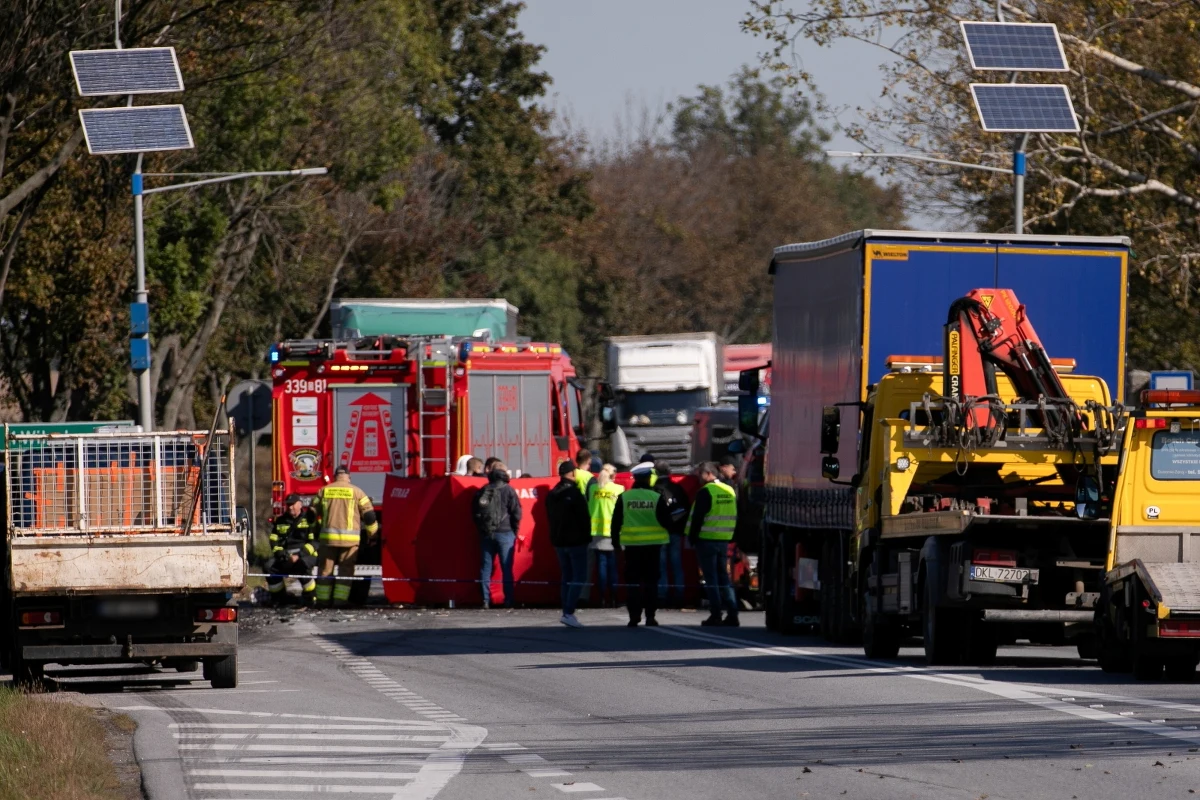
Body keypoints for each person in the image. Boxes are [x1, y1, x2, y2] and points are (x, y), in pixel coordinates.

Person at [611, 464, 672, 627]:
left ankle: (634, 617)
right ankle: (650, 616)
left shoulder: (625, 497)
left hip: (632, 546)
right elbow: (666, 521)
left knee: (633, 582)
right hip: (654, 546)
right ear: (648, 478)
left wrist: (615, 543)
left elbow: (615, 522)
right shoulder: (656, 497)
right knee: (651, 582)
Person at [312, 467, 378, 608]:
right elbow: (369, 516)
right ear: (348, 477)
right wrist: (372, 534)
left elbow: (311, 513)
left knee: (325, 571)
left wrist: (313, 531)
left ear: (335, 476)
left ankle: (323, 602)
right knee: (345, 571)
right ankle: (339, 602)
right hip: (350, 541)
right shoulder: (357, 492)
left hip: (328, 539)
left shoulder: (324, 491)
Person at [688, 461, 739, 626]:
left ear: (709, 474)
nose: (698, 478)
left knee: (711, 579)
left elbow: (698, 518)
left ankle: (716, 614)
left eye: (700, 474)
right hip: (724, 540)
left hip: (706, 540)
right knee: (725, 578)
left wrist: (692, 537)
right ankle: (732, 614)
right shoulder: (729, 489)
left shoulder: (706, 492)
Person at [546, 461, 591, 628]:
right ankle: (569, 611)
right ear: (572, 473)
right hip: (576, 541)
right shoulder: (574, 492)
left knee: (566, 576)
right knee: (579, 576)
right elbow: (583, 518)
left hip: (559, 541)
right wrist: (587, 537)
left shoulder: (552, 494)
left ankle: (566, 610)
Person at [472, 460, 522, 608]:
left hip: (487, 533)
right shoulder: (508, 490)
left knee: (485, 567)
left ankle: (485, 600)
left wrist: (482, 530)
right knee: (506, 567)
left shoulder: (483, 490)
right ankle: (508, 600)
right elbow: (517, 513)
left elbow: (474, 512)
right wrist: (515, 529)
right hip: (505, 533)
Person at [264, 494, 319, 606]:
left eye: (292, 505)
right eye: (288, 505)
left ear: (300, 504)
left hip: (306, 554)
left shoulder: (309, 521)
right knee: (269, 567)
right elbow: (273, 540)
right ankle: (280, 599)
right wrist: (280, 553)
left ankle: (310, 597)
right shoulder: (280, 521)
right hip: (286, 554)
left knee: (302, 566)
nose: (290, 507)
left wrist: (299, 555)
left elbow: (315, 542)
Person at [654, 462, 690, 607]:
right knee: (676, 564)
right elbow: (686, 509)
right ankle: (679, 595)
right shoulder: (678, 488)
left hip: (659, 532)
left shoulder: (654, 489)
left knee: (661, 566)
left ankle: (662, 596)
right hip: (675, 532)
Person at [588, 463, 623, 607]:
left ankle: (602, 598)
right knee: (613, 565)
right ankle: (614, 597)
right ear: (614, 475)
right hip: (613, 532)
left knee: (601, 565)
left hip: (596, 531)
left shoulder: (592, 488)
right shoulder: (619, 489)